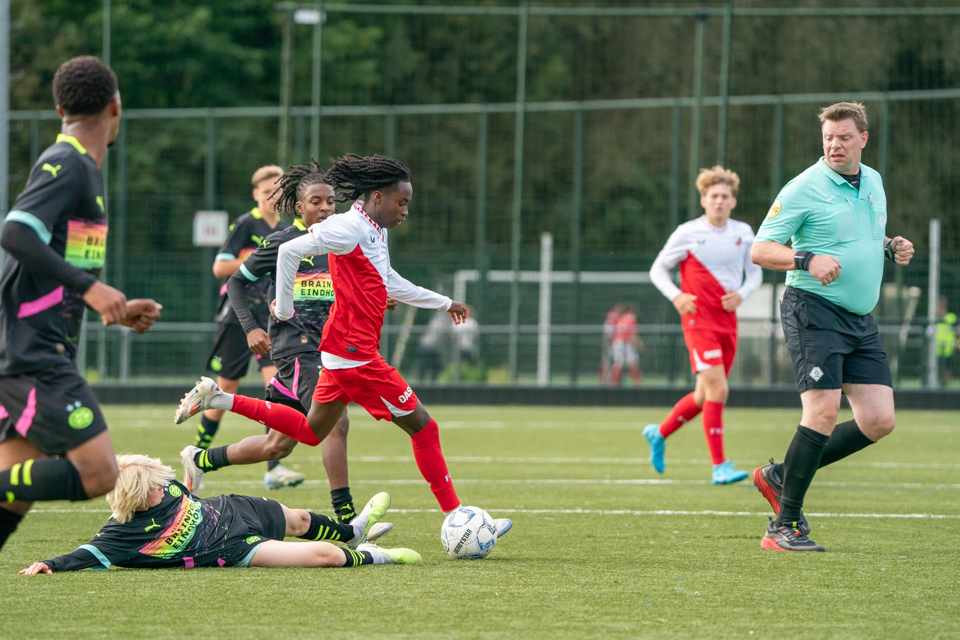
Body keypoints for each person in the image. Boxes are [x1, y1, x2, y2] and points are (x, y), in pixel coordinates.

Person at [175, 154, 512, 541]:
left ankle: (222, 401)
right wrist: (283, 309)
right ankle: (457, 516)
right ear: (378, 197)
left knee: (310, 432)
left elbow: (388, 280)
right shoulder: (349, 227)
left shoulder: (373, 228)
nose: (405, 211)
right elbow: (288, 253)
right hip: (355, 355)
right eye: (402, 203)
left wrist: (443, 302)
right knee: (424, 428)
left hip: (337, 350)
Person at [0, 56, 162, 551]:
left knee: (13, 493)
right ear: (116, 106)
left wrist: (106, 302)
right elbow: (15, 232)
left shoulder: (82, 171)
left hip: (35, 349)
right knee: (98, 473)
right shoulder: (66, 162)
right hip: (34, 354)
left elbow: (50, 267)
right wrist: (92, 290)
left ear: (58, 108)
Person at [178, 159, 390, 534]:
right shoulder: (281, 242)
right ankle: (347, 520)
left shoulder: (340, 240)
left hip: (330, 346)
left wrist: (376, 297)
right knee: (337, 422)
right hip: (297, 350)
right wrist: (250, 329)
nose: (325, 209)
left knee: (278, 446)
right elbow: (237, 284)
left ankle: (201, 459)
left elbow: (344, 289)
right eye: (316, 202)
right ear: (298, 206)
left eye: (330, 202)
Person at [750, 102, 914, 551]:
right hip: (813, 309)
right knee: (822, 412)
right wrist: (805, 258)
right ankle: (783, 527)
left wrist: (889, 245)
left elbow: (861, 235)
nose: (834, 145)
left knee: (879, 420)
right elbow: (761, 249)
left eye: (843, 137)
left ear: (863, 138)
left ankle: (780, 475)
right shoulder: (803, 187)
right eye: (828, 138)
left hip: (859, 318)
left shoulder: (874, 181)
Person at [18, 454, 419, 573]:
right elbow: (84, 554)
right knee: (326, 557)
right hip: (240, 548)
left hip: (238, 508)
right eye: (155, 486)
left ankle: (351, 530)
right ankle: (377, 554)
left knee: (299, 519)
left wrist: (192, 474)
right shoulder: (121, 537)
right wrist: (48, 564)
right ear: (138, 499)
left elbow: (186, 497)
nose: (164, 487)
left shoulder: (167, 487)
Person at [644, 166, 762, 484]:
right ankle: (719, 466)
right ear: (703, 200)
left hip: (727, 321)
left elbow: (755, 273)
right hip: (698, 321)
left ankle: (659, 433)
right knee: (719, 389)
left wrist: (742, 294)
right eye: (714, 196)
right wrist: (676, 295)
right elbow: (658, 269)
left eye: (725, 196)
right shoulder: (687, 232)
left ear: (733, 201)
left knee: (703, 395)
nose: (719, 201)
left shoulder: (744, 233)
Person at [194, 165, 302, 490]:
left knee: (280, 386)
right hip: (236, 317)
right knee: (225, 390)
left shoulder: (285, 229)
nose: (273, 197)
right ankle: (196, 459)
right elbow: (220, 267)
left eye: (278, 192)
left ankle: (274, 467)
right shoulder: (245, 224)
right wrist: (261, 257)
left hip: (268, 319)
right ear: (256, 194)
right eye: (267, 192)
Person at [609, 304, 643, 386]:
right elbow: (632, 333)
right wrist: (639, 344)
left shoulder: (622, 317)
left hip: (617, 342)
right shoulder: (632, 317)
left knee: (618, 364)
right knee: (633, 364)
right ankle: (638, 385)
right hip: (626, 343)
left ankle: (613, 385)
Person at [935, 296, 959, 385]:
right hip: (937, 349)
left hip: (948, 348)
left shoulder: (951, 317)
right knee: (936, 369)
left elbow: (957, 330)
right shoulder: (934, 318)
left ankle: (947, 384)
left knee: (947, 369)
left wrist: (956, 342)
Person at [600, 304, 623, 384]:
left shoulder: (616, 316)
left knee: (613, 362)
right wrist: (607, 342)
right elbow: (608, 330)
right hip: (611, 342)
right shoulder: (613, 316)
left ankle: (611, 380)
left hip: (614, 342)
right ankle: (606, 381)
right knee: (608, 362)